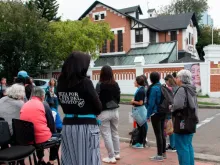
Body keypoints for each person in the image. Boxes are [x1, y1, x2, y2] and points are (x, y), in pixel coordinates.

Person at [57, 51, 102, 165]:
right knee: (90, 160)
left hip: (67, 127)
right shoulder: (85, 82)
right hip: (86, 127)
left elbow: (61, 102)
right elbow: (98, 107)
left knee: (69, 160)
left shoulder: (61, 82)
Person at [20, 87, 58, 165]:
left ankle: (40, 159)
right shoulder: (44, 104)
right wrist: (53, 132)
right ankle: (51, 161)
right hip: (39, 139)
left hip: (26, 138)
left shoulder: (25, 104)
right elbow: (51, 124)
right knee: (57, 137)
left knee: (38, 131)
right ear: (42, 96)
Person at [172, 69, 199, 165]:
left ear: (180, 79)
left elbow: (177, 105)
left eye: (177, 77)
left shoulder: (182, 89)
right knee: (188, 145)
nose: (176, 79)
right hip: (191, 121)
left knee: (182, 147)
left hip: (182, 122)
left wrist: (171, 107)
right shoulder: (191, 89)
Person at [96, 65, 120, 164]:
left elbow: (96, 98)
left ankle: (111, 157)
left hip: (104, 112)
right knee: (115, 132)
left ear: (101, 73)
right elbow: (118, 98)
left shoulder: (99, 84)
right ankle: (117, 153)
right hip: (115, 111)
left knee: (106, 135)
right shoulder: (115, 84)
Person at [147, 72, 166, 161]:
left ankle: (159, 155)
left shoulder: (154, 88)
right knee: (162, 132)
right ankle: (163, 153)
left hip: (156, 113)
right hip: (163, 111)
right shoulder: (162, 86)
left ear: (151, 79)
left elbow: (151, 103)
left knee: (158, 133)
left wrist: (148, 115)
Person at [131, 75, 147, 149]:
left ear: (138, 82)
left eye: (135, 81)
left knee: (141, 127)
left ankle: (140, 143)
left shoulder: (141, 90)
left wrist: (133, 101)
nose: (134, 82)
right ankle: (140, 142)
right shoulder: (141, 89)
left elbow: (140, 102)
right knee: (140, 126)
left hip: (139, 110)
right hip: (139, 110)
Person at [164, 74, 178, 152]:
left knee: (170, 128)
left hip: (171, 110)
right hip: (175, 111)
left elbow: (169, 100)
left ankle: (173, 145)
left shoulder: (170, 89)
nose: (166, 83)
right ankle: (173, 144)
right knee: (173, 128)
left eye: (166, 81)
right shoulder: (176, 87)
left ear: (168, 80)